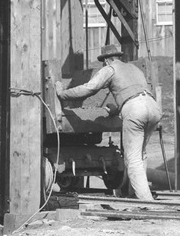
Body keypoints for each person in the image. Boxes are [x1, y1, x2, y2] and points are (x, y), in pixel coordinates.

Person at [55, 44, 161, 201]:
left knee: (132, 158)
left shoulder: (110, 69)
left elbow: (89, 89)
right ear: (119, 56)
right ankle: (134, 193)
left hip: (135, 109)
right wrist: (117, 110)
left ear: (106, 61)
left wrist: (63, 94)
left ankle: (146, 201)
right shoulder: (134, 69)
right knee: (141, 154)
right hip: (153, 107)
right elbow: (134, 93)